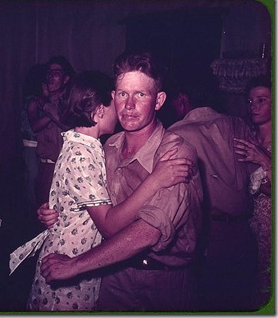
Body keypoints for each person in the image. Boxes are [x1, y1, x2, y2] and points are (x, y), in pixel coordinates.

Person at [11, 70, 194, 311]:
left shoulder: (100, 147)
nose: (126, 107)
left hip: (112, 268)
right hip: (70, 262)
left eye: (139, 94)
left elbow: (146, 229)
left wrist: (58, 209)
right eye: (119, 96)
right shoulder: (87, 152)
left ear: (158, 100)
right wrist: (155, 180)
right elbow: (107, 223)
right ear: (99, 110)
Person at [166, 72, 259, 311]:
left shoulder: (178, 134)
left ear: (182, 100)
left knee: (206, 303)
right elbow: (256, 177)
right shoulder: (237, 124)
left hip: (209, 234)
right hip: (243, 234)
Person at [234, 75, 272, 309]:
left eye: (261, 100)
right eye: (250, 101)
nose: (254, 106)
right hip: (246, 225)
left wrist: (265, 160)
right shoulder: (246, 134)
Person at [31, 56, 76, 208]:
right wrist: (47, 105)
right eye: (49, 72)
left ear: (66, 79)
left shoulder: (69, 102)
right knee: (40, 210)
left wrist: (47, 107)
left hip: (59, 167)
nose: (50, 76)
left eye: (56, 72)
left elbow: (65, 124)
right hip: (43, 166)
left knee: (52, 212)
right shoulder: (45, 103)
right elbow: (35, 126)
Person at [20, 63, 47, 214]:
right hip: (31, 145)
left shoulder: (42, 101)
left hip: (38, 146)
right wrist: (52, 114)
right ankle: (31, 213)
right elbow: (34, 126)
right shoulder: (33, 101)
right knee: (32, 179)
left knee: (37, 179)